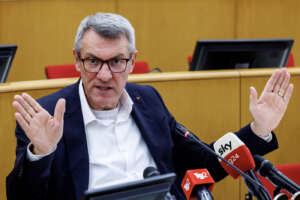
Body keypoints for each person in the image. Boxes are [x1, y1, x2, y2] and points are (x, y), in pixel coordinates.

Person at [6, 12, 294, 200]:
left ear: (132, 61)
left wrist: (259, 129)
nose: (104, 75)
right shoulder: (46, 117)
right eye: (93, 61)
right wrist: (41, 153)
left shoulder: (149, 101)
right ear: (77, 60)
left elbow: (205, 161)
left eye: (117, 62)